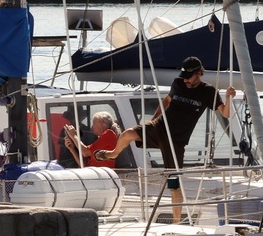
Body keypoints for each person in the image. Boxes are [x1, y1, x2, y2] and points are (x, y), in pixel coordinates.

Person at [97, 56, 235, 222]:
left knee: (174, 182)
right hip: (159, 127)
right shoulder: (178, 83)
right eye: (184, 76)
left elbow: (225, 113)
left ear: (199, 73)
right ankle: (113, 153)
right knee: (127, 134)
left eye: (189, 77)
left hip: (175, 140)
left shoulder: (208, 92)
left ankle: (176, 222)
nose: (186, 80)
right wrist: (153, 120)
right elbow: (167, 100)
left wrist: (229, 97)